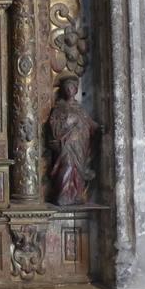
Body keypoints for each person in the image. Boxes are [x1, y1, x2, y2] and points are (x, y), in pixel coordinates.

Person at [48, 74, 99, 205]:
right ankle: (63, 195)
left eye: (73, 87)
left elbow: (89, 122)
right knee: (68, 165)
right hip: (67, 144)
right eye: (67, 87)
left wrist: (98, 128)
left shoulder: (80, 109)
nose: (70, 89)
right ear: (64, 90)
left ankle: (76, 194)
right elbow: (54, 124)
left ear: (76, 90)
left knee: (78, 169)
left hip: (80, 144)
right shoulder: (60, 107)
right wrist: (69, 122)